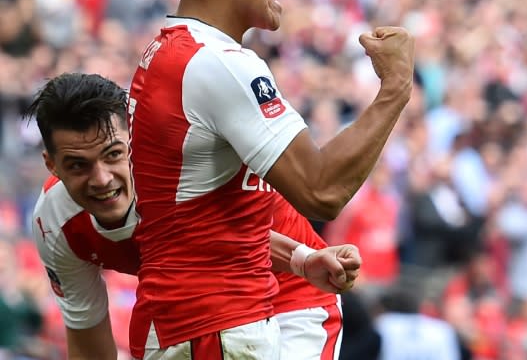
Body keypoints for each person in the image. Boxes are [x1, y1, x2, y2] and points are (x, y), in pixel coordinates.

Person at [126, 0, 414, 359]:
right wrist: (396, 91)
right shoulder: (217, 62)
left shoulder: (168, 54)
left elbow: (207, 221)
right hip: (216, 324)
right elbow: (321, 190)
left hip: (188, 321)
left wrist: (298, 258)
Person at [25, 72, 363, 360]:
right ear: (52, 165)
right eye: (77, 165)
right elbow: (88, 340)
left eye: (113, 154)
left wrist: (303, 260)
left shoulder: (176, 164)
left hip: (293, 290)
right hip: (194, 305)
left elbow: (233, 239)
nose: (101, 179)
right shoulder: (55, 224)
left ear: (135, 138)